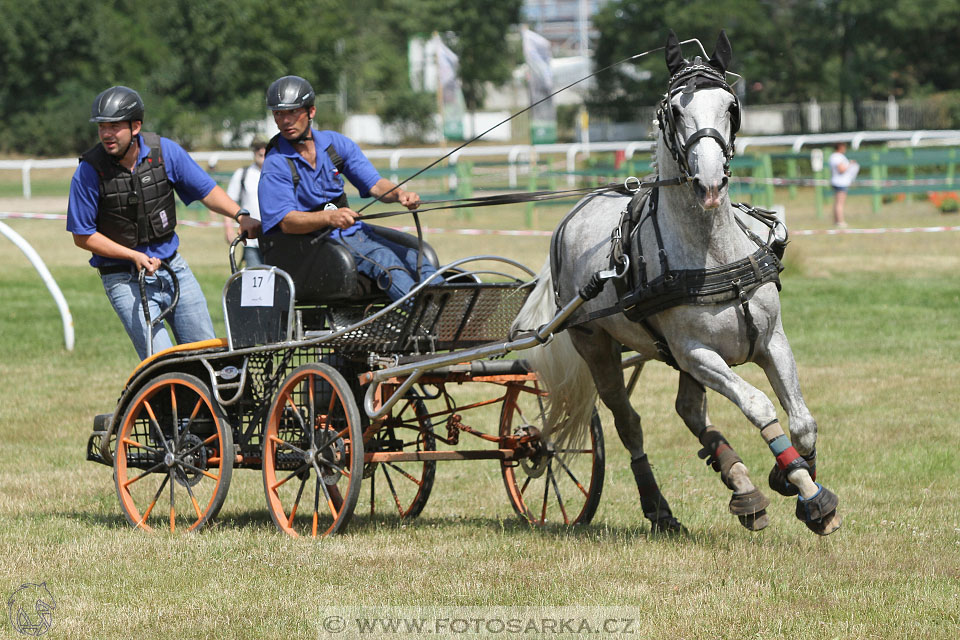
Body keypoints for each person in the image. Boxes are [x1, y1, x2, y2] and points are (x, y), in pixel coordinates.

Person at [67, 86, 261, 360]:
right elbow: (82, 235)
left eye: (114, 126)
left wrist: (240, 215)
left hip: (173, 267)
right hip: (123, 278)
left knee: (208, 353)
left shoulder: (164, 152)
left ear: (136, 126)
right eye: (102, 127)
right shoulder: (88, 170)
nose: (106, 134)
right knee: (162, 362)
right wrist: (133, 255)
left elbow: (205, 189)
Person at [257, 75, 439, 302]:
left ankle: (452, 313)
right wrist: (329, 218)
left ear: (311, 112)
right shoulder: (276, 163)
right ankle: (429, 320)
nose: (285, 120)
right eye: (278, 113)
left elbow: (374, 184)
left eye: (293, 112)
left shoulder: (334, 145)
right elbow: (286, 222)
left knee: (415, 256)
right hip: (311, 246)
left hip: (354, 234)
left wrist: (400, 194)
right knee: (384, 257)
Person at [223, 137, 267, 266]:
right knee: (254, 282)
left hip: (276, 240)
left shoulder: (279, 173)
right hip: (251, 241)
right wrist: (228, 229)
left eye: (265, 147)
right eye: (257, 148)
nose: (261, 151)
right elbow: (229, 202)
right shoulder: (242, 174)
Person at [829, 142, 859, 228]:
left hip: (838, 181)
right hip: (840, 182)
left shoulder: (834, 156)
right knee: (840, 203)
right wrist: (850, 164)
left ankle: (836, 221)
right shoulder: (837, 157)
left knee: (837, 202)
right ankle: (840, 221)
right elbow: (841, 169)